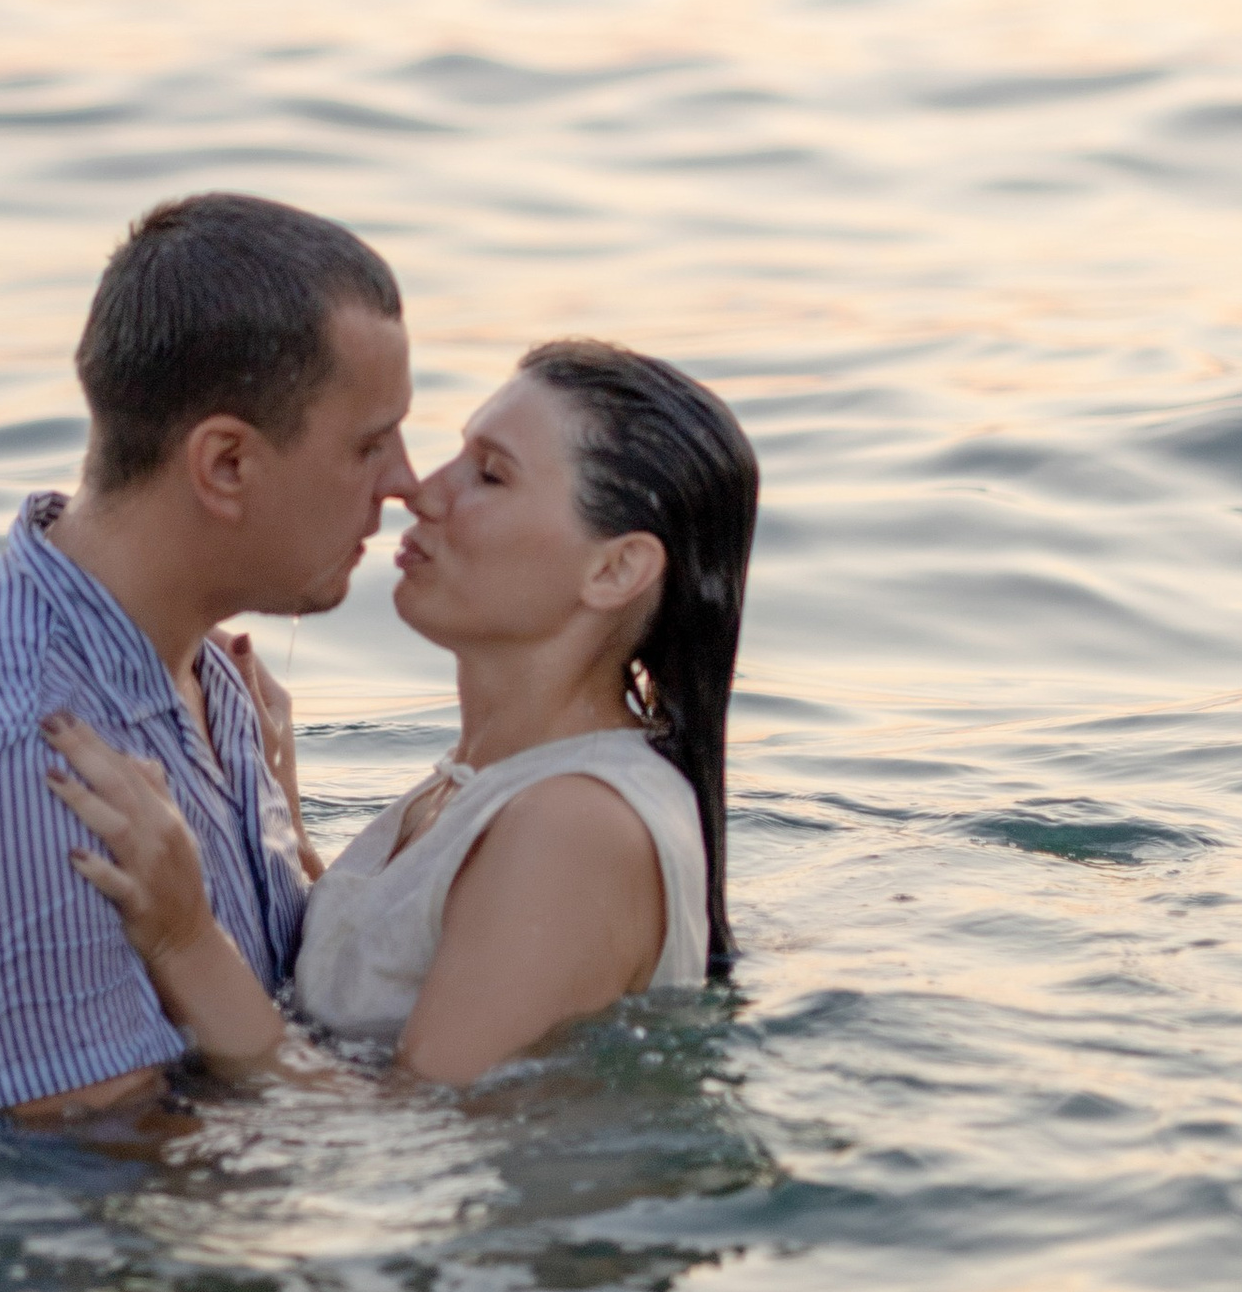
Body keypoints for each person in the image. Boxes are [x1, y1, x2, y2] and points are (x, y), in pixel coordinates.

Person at [0, 192, 418, 1123]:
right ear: (226, 467)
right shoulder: (24, 770)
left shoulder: (205, 669)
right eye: (370, 444)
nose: (407, 481)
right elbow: (107, 1214)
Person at [41, 338, 758, 1086]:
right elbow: (387, 978)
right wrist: (275, 809)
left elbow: (403, 1147)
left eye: (489, 473)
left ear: (614, 568)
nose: (421, 490)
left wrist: (182, 940)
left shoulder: (574, 825)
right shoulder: (495, 779)